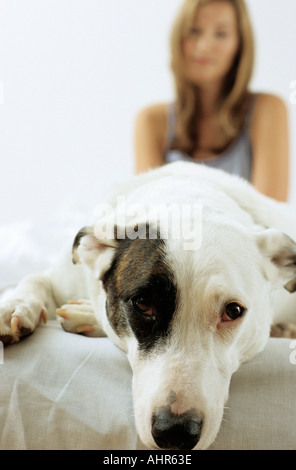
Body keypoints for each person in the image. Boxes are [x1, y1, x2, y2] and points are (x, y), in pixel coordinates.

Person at [134, 0, 289, 202]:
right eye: (194, 30)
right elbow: (147, 212)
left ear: (239, 44)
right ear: (178, 38)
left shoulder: (267, 110)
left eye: (221, 34)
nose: (205, 46)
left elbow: (269, 217)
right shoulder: (151, 120)